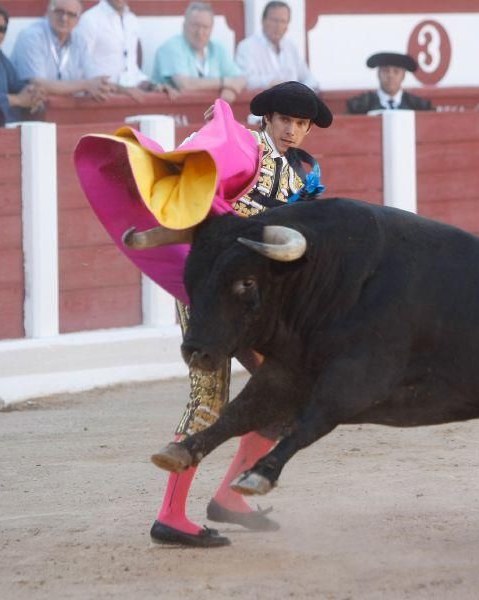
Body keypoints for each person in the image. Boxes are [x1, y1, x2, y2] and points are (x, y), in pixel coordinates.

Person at [73, 81, 331, 547]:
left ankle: (229, 499)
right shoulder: (246, 148)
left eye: (300, 123)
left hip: (255, 303)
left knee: (288, 391)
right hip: (214, 296)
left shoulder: (301, 176)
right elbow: (202, 171)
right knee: (209, 399)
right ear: (267, 120)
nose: (292, 130)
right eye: (284, 120)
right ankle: (170, 515)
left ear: (309, 127)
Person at [11, 0, 114, 101]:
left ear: (78, 19)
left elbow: (96, 80)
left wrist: (123, 89)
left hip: (64, 111)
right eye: (59, 11)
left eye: (71, 14)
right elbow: (38, 83)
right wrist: (86, 85)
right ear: (48, 11)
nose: (64, 18)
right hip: (29, 113)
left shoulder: (80, 41)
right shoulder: (31, 37)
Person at [153, 1, 247, 102]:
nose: (200, 32)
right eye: (195, 26)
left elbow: (242, 79)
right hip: (172, 112)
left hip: (206, 112)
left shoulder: (218, 49)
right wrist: (224, 83)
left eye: (205, 27)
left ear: (211, 29)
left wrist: (230, 89)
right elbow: (185, 85)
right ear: (184, 25)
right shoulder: (171, 47)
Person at [234, 1, 319, 90]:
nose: (278, 26)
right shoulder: (247, 46)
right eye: (274, 20)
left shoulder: (291, 47)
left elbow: (309, 78)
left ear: (287, 26)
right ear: (263, 21)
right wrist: (271, 82)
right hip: (266, 100)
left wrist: (301, 90)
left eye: (283, 21)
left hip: (293, 100)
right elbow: (245, 80)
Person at [75, 0, 153, 90]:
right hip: (101, 97)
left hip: (131, 96)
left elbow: (131, 66)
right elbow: (80, 66)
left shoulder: (132, 20)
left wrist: (151, 86)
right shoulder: (89, 19)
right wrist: (116, 88)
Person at [346, 52, 433, 113]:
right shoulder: (360, 105)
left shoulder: (419, 106)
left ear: (403, 76)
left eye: (396, 71)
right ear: (378, 74)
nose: (390, 76)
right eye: (385, 71)